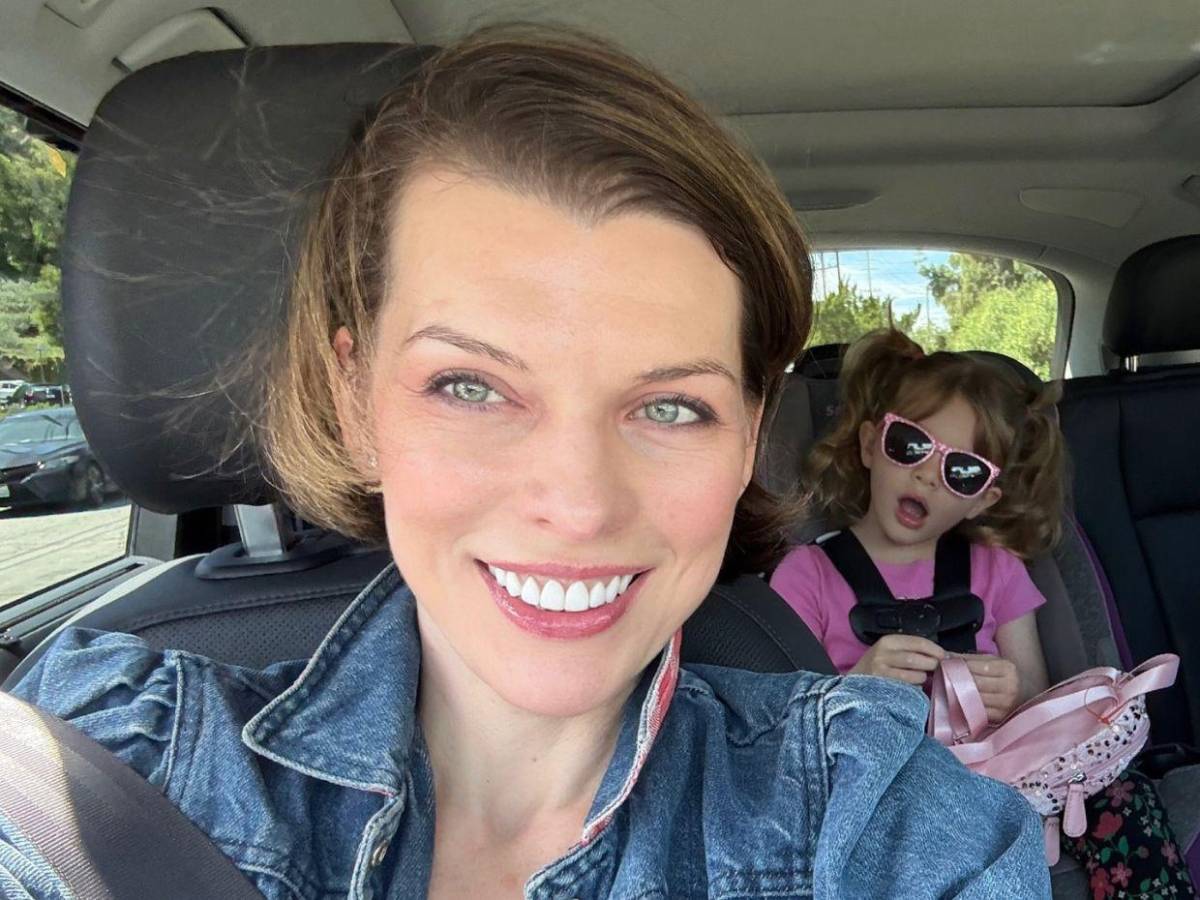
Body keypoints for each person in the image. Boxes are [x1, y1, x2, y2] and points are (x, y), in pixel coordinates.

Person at [2, 27, 1050, 899]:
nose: (578, 504)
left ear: (748, 437)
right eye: (470, 386)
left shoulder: (878, 812)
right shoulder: (92, 760)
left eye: (672, 406)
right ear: (353, 400)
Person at [770, 328, 1194, 899]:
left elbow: (1037, 700)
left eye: (962, 471)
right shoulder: (807, 574)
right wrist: (857, 686)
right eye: (911, 446)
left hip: (1006, 774)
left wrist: (1012, 693)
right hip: (878, 789)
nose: (928, 474)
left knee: (1127, 797)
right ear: (871, 445)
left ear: (982, 498)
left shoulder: (995, 569)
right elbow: (779, 726)